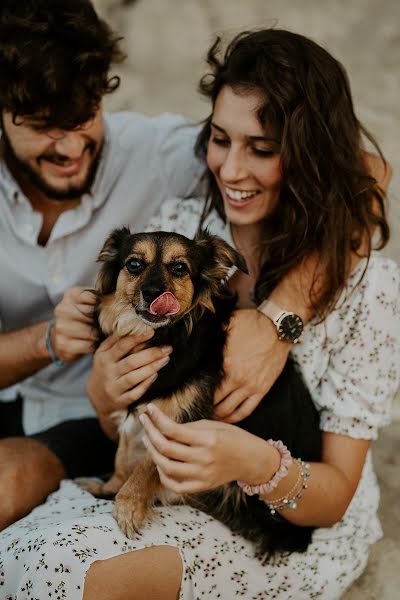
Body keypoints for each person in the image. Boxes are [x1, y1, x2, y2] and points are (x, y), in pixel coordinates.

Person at [1, 28, 398, 600]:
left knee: (62, 575)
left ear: (309, 154)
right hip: (163, 481)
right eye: (219, 139)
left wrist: (254, 455)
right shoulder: (184, 221)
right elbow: (132, 421)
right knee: (19, 557)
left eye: (262, 149)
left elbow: (332, 498)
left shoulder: (372, 288)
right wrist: (106, 390)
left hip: (283, 524)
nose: (231, 171)